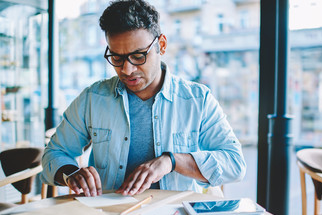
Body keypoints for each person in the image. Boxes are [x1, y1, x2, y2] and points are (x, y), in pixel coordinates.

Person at [41, 0, 246, 197]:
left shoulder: (197, 100)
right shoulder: (92, 99)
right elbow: (54, 153)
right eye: (116, 58)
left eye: (138, 56)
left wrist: (171, 162)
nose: (127, 69)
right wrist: (71, 174)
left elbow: (235, 164)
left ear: (161, 45)